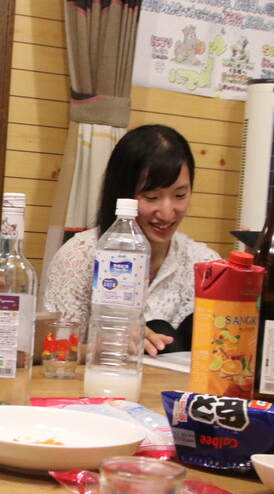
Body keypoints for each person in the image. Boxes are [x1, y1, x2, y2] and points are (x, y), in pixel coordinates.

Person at [43, 125, 220, 354]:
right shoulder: (80, 257)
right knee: (160, 328)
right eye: (151, 197)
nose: (167, 213)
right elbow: (53, 350)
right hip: (103, 376)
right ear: (122, 195)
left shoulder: (205, 265)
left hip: (179, 378)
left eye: (180, 195)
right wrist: (109, 344)